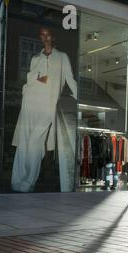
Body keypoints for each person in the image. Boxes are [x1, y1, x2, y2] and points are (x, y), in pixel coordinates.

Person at [11, 27, 77, 192]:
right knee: (24, 143)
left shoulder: (62, 57)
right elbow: (31, 79)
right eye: (42, 35)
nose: (45, 38)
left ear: (52, 37)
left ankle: (28, 182)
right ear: (40, 38)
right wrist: (28, 89)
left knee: (35, 142)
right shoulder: (36, 58)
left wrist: (79, 99)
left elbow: (70, 79)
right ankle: (16, 180)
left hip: (47, 105)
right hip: (30, 102)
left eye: (48, 35)